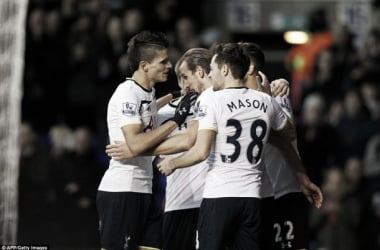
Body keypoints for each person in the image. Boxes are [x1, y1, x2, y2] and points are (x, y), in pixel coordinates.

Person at [157, 43, 298, 250]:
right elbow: (289, 133)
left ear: (224, 70)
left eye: (212, 69)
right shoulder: (265, 100)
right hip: (252, 198)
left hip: (219, 196)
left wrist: (173, 163)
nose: (210, 75)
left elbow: (200, 151)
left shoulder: (211, 99)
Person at [96, 30, 197, 250]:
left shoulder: (145, 92)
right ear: (144, 66)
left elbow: (147, 112)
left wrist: (175, 95)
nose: (169, 66)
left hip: (143, 189)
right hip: (122, 191)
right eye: (163, 61)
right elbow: (135, 144)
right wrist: (175, 120)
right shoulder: (127, 93)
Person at [241, 41, 323, 250]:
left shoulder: (277, 92)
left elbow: (287, 137)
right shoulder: (230, 99)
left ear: (249, 67)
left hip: (286, 191)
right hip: (255, 196)